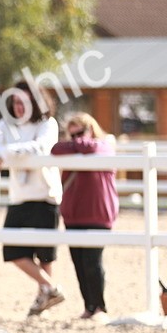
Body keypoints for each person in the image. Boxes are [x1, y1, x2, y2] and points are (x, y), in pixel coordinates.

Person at [0, 80, 63, 316]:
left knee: (45, 256)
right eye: (16, 102)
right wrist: (3, 151)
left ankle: (44, 301)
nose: (19, 107)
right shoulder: (6, 125)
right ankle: (51, 288)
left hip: (45, 194)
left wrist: (7, 152)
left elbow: (41, 147)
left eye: (25, 102)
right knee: (13, 251)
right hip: (19, 196)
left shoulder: (47, 124)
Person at [52, 113, 118, 321]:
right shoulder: (72, 150)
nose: (76, 139)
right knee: (79, 262)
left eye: (80, 133)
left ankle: (100, 306)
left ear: (91, 128)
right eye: (72, 135)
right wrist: (76, 144)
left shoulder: (105, 146)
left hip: (98, 213)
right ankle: (89, 306)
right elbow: (55, 149)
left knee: (93, 261)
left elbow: (93, 147)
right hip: (74, 214)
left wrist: (75, 145)